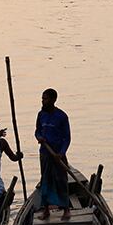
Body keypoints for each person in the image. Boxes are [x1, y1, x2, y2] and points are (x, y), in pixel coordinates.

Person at [34, 89, 72, 217]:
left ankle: (66, 209)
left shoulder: (62, 116)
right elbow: (37, 131)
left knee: (61, 180)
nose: (43, 101)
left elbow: (67, 137)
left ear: (53, 100)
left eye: (45, 99)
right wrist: (39, 137)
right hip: (45, 153)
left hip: (57, 155)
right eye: (42, 98)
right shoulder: (41, 115)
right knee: (46, 181)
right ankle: (46, 210)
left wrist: (61, 153)